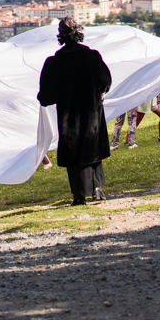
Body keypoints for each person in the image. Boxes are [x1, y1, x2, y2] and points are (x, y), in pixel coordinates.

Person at [38, 17, 113, 205]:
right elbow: (105, 82)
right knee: (92, 147)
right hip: (91, 112)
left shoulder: (53, 63)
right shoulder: (92, 57)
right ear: (79, 33)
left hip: (68, 115)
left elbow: (46, 97)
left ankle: (79, 195)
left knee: (74, 154)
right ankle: (97, 189)